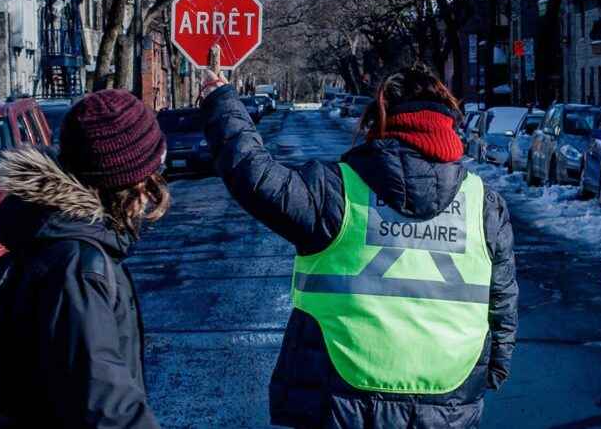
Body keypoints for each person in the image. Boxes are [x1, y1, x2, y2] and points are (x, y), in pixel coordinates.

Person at [199, 64, 518, 428]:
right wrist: (494, 368)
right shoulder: (484, 204)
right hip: (448, 396)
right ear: (447, 123)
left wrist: (221, 101)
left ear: (379, 120)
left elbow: (252, 174)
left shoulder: (334, 191)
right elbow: (502, 298)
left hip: (340, 399)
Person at [0, 89, 168, 428]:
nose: (154, 190)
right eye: (153, 175)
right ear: (131, 182)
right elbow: (107, 408)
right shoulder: (79, 266)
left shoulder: (64, 240)